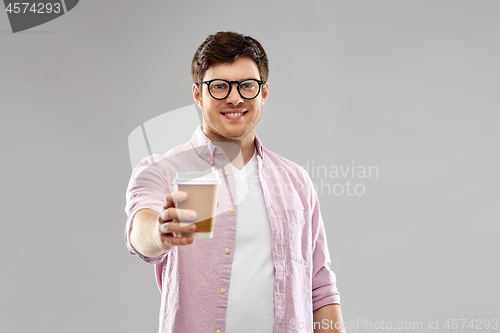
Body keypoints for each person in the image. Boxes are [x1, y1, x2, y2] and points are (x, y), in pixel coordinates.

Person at [125, 31, 346, 333]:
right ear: (198, 94)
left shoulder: (296, 181)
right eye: (219, 86)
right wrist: (160, 233)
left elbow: (320, 287)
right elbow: (141, 231)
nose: (234, 97)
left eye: (246, 85)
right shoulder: (164, 171)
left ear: (263, 92)